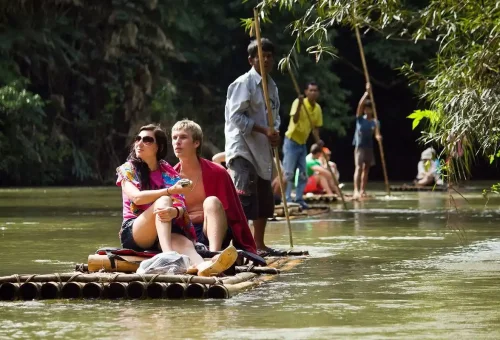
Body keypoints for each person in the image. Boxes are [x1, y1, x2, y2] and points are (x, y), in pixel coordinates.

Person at [116, 123, 237, 276]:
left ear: (158, 147)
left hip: (164, 229)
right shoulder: (127, 169)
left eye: (146, 140)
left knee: (187, 245)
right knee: (164, 201)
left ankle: (204, 267)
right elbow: (137, 198)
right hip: (135, 231)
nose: (139, 143)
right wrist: (169, 191)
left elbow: (181, 206)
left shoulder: (167, 170)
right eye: (137, 139)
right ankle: (168, 256)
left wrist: (174, 212)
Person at [224, 37, 281, 256]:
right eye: (261, 56)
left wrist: (274, 133)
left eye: (269, 56)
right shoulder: (243, 84)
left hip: (262, 149)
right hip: (242, 148)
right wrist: (263, 130)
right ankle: (240, 245)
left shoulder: (272, 87)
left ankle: (259, 244)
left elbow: (275, 118)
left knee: (264, 198)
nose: (266, 60)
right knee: (245, 195)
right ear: (251, 60)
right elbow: (235, 117)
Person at [171, 119, 257, 255]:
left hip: (214, 230)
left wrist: (245, 245)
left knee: (211, 202)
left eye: (183, 137)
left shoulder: (218, 172)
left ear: (196, 143)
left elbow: (235, 213)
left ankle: (214, 255)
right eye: (174, 138)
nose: (177, 142)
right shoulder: (169, 177)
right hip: (185, 235)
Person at [283, 82, 323, 209]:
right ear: (306, 92)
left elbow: (315, 128)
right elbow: (294, 120)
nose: (313, 93)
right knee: (289, 173)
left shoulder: (317, 108)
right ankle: (287, 199)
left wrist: (318, 141)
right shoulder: (298, 102)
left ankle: (299, 199)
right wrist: (300, 105)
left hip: (302, 143)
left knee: (303, 174)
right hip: (291, 141)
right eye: (310, 90)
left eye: (315, 90)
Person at [353, 83, 382, 199]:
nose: (367, 111)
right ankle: (356, 190)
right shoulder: (360, 119)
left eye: (369, 109)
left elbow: (376, 133)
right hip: (360, 147)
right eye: (366, 109)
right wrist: (367, 93)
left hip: (369, 147)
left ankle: (362, 190)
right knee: (358, 167)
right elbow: (360, 105)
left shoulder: (375, 122)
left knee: (366, 169)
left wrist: (378, 137)